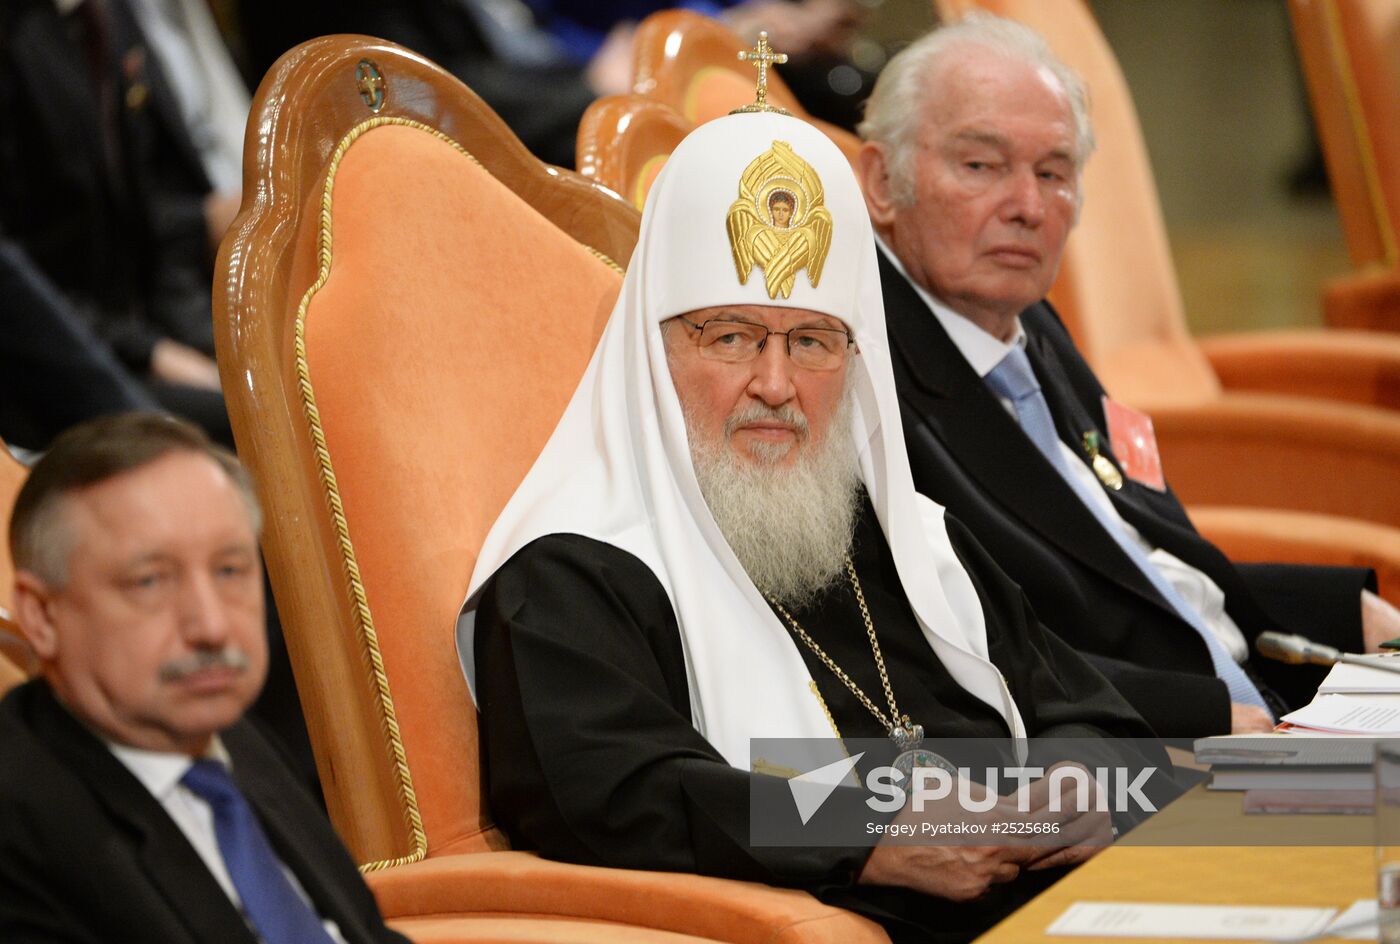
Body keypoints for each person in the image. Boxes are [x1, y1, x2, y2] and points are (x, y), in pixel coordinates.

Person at [459, 103, 1169, 942]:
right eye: (730, 337)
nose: (775, 384)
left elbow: (1079, 704)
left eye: (813, 342)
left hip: (1071, 906)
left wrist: (1077, 784)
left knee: (1346, 821)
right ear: (652, 354)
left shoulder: (906, 536)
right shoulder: (574, 568)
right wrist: (864, 833)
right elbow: (610, 793)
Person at [854, 14, 1400, 739]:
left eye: (1053, 173)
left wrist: (1332, 611)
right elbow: (959, 657)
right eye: (980, 166)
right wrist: (1205, 720)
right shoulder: (861, 376)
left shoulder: (1025, 321)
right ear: (881, 182)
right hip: (1142, 764)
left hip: (1260, 695)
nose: (1026, 207)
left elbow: (1131, 556)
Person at [0, 413, 408, 944]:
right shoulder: (22, 836)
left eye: (230, 570)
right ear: (42, 616)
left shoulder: (222, 731)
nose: (212, 627)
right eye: (149, 582)